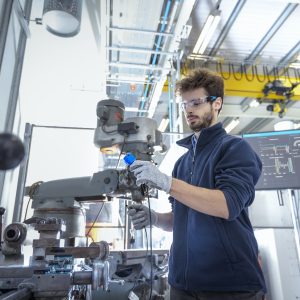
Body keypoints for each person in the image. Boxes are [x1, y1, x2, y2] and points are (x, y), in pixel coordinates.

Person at [128, 68, 266, 300]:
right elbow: (180, 218)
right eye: (185, 104)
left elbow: (227, 205)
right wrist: (154, 218)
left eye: (196, 102)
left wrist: (166, 182)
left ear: (216, 103)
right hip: (182, 283)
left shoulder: (234, 149)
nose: (189, 109)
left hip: (228, 286)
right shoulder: (182, 162)